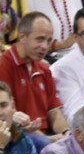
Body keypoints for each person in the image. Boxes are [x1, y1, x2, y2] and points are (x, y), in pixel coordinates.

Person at [1, 12, 69, 140]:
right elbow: (8, 117)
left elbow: (53, 110)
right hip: (20, 137)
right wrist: (49, 141)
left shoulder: (44, 69)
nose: (45, 47)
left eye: (49, 41)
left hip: (46, 137)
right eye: (40, 39)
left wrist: (66, 134)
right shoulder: (4, 65)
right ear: (22, 37)